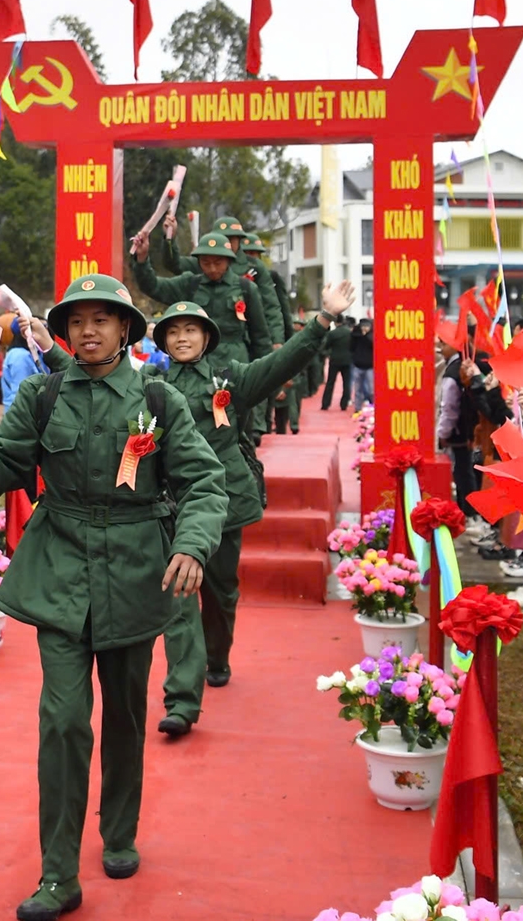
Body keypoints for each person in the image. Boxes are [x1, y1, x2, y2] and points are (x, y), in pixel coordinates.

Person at [0, 274, 228, 921]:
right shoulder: (44, 395)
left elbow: (205, 483)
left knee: (127, 717)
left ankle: (120, 831)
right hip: (61, 569)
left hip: (136, 571)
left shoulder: (158, 400)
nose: (88, 330)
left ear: (126, 329)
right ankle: (57, 874)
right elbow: (1, 472)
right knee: (63, 721)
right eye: (77, 320)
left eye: (103, 319)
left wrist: (190, 545)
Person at [149, 280, 355, 734]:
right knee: (179, 594)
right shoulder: (150, 385)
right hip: (171, 503)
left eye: (191, 330)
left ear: (206, 338)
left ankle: (216, 656)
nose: (182, 338)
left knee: (220, 590)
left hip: (223, 501)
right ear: (163, 340)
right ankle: (183, 694)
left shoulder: (231, 380)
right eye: (173, 331)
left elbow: (282, 363)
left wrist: (322, 320)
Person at [129, 231, 271, 365]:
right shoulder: (189, 284)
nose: (212, 268)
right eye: (206, 263)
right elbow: (153, 286)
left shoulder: (246, 288)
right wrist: (142, 260)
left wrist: (265, 380)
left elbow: (261, 337)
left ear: (228, 260)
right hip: (195, 366)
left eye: (218, 262)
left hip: (235, 364)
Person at [319, 310, 354, 411]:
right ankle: (344, 404)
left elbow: (324, 347)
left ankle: (325, 404)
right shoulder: (349, 333)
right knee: (346, 383)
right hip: (347, 360)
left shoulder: (332, 334)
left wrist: (328, 354)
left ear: (335, 322)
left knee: (330, 383)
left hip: (335, 360)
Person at [349, 316, 375, 410]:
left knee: (371, 390)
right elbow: (351, 347)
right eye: (363, 326)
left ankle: (373, 407)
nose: (364, 328)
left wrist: (366, 336)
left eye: (367, 326)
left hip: (370, 366)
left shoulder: (372, 336)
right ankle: (357, 408)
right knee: (357, 389)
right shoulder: (355, 336)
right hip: (358, 365)